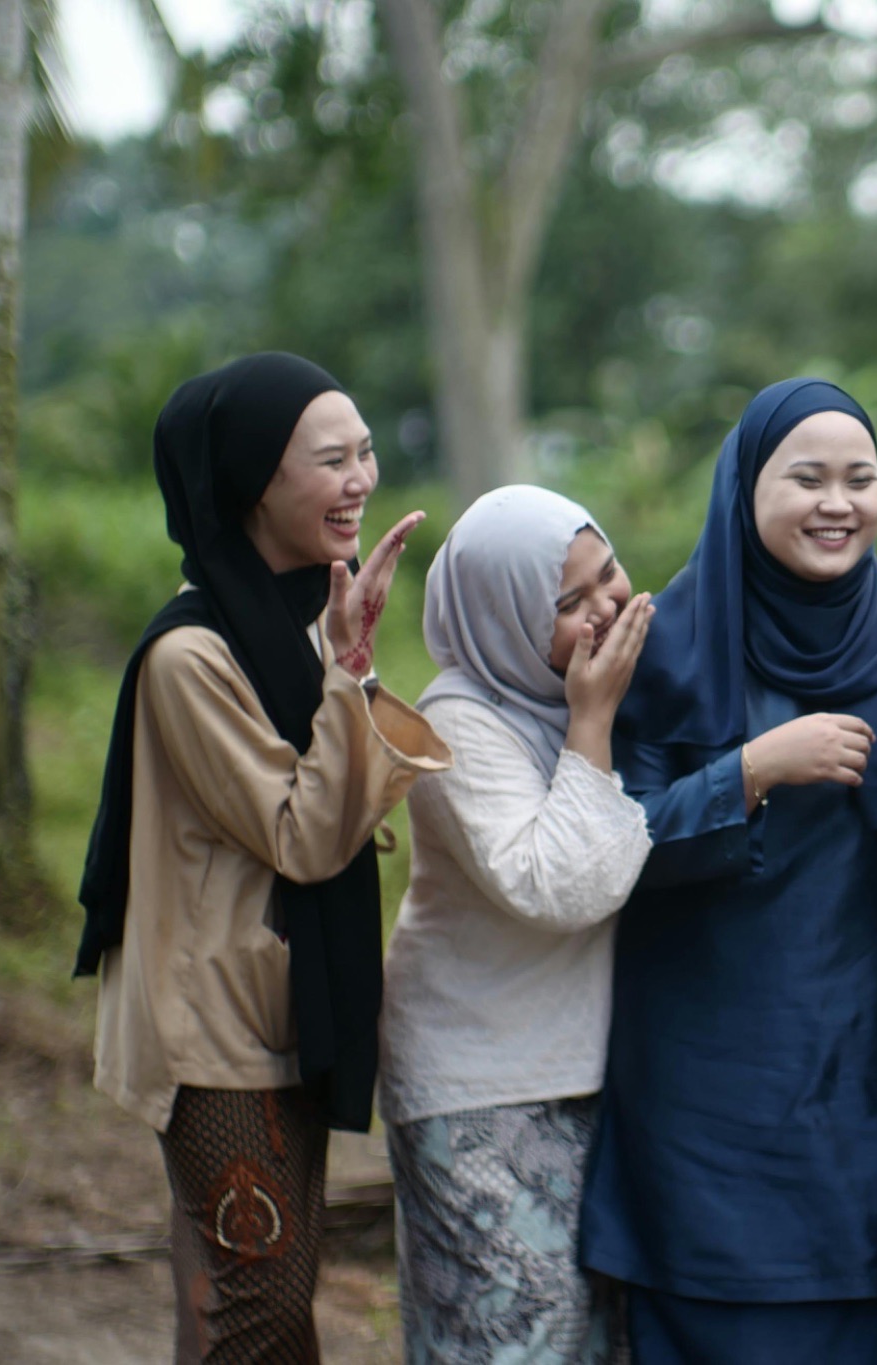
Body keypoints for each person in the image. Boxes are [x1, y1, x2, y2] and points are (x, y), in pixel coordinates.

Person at [75, 353, 451, 1362]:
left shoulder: (288, 625)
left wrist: (343, 661)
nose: (361, 479)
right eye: (331, 460)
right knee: (262, 1302)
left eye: (366, 452)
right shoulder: (190, 657)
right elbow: (307, 836)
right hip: (218, 1038)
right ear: (252, 486)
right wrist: (349, 672)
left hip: (282, 1015)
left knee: (237, 1298)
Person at [578, 378, 877, 1364]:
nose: (838, 503)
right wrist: (749, 771)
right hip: (701, 1087)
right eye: (807, 479)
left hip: (862, 1086)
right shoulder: (670, 642)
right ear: (744, 487)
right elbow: (605, 846)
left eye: (860, 479)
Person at [379, 486, 654, 1362]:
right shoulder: (457, 723)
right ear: (500, 620)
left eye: (607, 572)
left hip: (578, 1067)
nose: (606, 604)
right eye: (568, 602)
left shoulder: (578, 691)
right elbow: (560, 886)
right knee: (514, 1336)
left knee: (583, 1337)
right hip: (478, 1081)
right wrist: (594, 720)